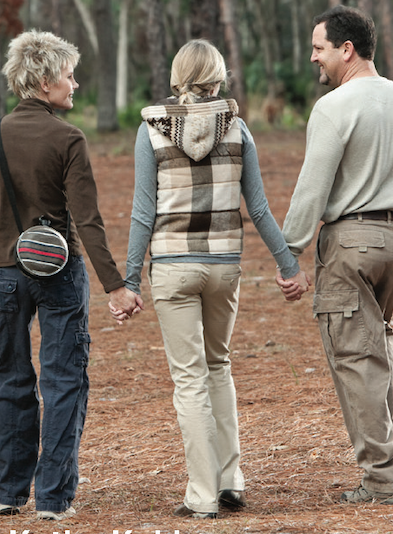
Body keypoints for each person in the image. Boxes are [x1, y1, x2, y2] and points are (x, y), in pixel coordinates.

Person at [113, 39, 309, 519]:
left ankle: (201, 495)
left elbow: (143, 213)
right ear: (218, 77)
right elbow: (258, 208)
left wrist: (131, 282)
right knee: (218, 366)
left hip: (174, 269)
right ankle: (230, 481)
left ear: (179, 75)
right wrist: (289, 266)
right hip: (224, 267)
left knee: (189, 379)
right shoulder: (238, 129)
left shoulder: (152, 131)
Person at [277, 5, 393, 504]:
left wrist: (288, 253)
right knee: (377, 351)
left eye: (319, 48)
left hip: (351, 245)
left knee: (357, 359)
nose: (314, 58)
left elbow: (312, 190)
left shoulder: (334, 108)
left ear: (346, 49)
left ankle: (382, 480)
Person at [0, 30, 141, 521]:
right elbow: (87, 220)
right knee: (63, 381)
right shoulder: (68, 139)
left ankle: (6, 492)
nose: (75, 83)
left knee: (10, 380)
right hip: (59, 274)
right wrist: (117, 286)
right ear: (44, 81)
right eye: (68, 75)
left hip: (3, 275)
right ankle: (54, 499)